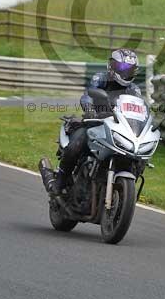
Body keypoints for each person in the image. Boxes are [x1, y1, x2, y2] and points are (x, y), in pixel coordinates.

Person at [43, 49, 141, 195]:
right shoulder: (100, 78)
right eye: (123, 68)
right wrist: (89, 108)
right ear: (112, 66)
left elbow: (139, 110)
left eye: (130, 69)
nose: (126, 72)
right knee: (77, 144)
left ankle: (124, 190)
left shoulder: (134, 89)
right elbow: (88, 95)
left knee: (138, 154)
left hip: (119, 128)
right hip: (95, 122)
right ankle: (59, 182)